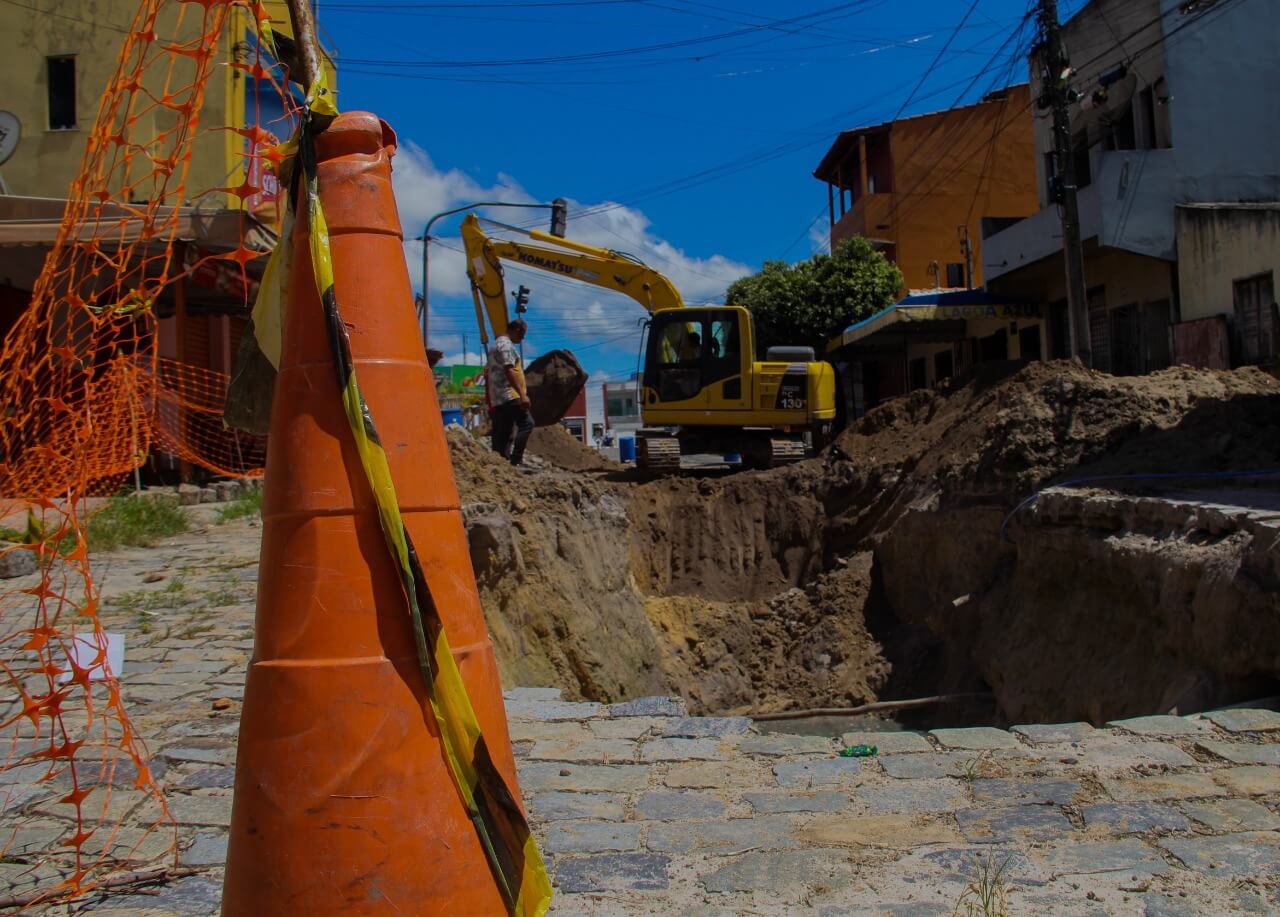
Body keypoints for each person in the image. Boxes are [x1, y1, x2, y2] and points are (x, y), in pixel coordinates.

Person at [486, 318, 535, 465]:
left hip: (497, 397)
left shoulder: (495, 346)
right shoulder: (506, 346)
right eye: (522, 334)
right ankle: (516, 460)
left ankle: (501, 465)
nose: (523, 338)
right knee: (527, 424)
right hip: (509, 394)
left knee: (503, 433)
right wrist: (522, 394)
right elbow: (509, 370)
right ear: (516, 330)